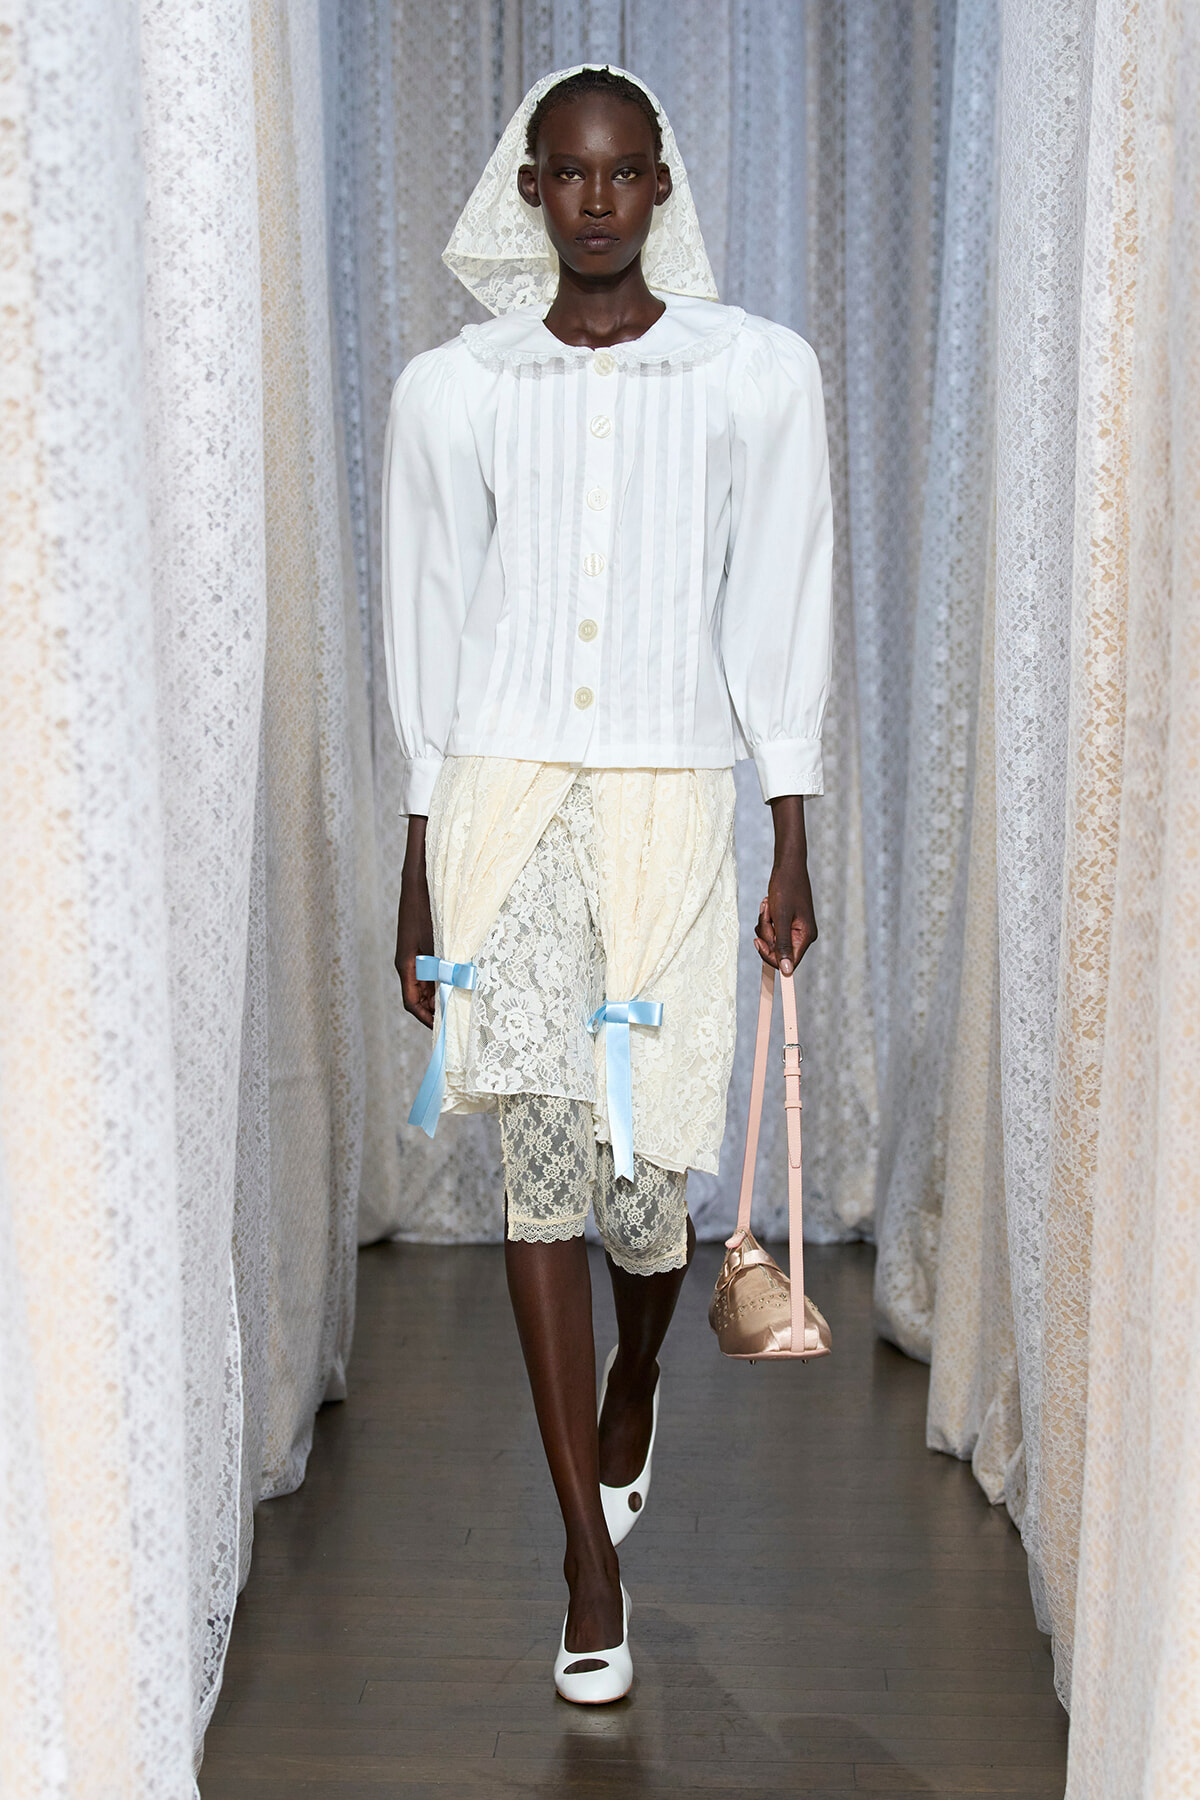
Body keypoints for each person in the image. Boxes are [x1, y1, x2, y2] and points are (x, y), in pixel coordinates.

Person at [384, 64, 832, 1704]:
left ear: (660, 187)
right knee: (538, 1164)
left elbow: (779, 594)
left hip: (666, 801)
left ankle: (638, 1377)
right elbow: (430, 620)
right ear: (526, 189)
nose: (592, 199)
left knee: (650, 1193)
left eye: (622, 172)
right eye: (564, 173)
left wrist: (791, 824)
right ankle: (584, 1552)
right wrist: (420, 865)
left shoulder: (751, 378)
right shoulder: (456, 389)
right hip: (505, 802)